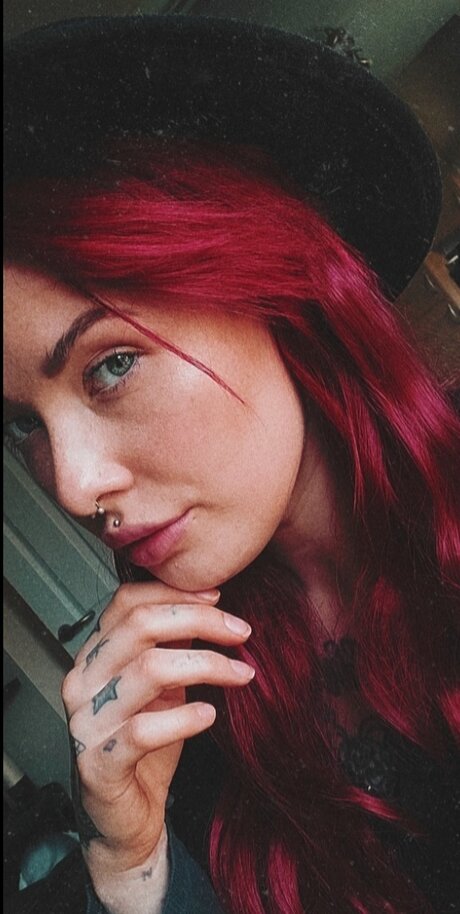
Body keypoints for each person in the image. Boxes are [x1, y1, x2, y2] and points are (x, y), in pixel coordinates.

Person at [3, 14, 459, 914]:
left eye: (111, 365)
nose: (76, 487)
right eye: (24, 424)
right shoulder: (189, 710)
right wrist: (132, 861)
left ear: (275, 285)